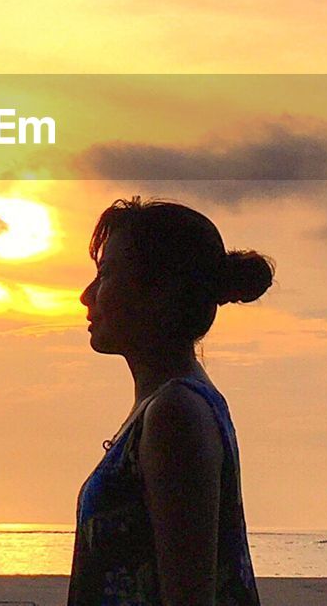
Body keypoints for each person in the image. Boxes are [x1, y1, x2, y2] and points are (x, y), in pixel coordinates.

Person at [69, 196, 275, 606]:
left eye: (106, 274)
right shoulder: (169, 407)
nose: (86, 295)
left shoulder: (175, 413)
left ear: (159, 291)